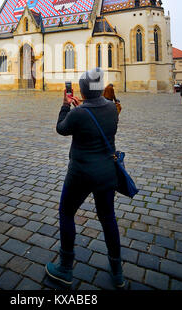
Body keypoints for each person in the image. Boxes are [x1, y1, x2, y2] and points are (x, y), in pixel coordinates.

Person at [45, 68, 124, 288]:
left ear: (82, 90)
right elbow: (97, 120)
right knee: (108, 218)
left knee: (66, 212)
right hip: (107, 172)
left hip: (80, 173)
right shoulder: (111, 107)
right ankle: (117, 272)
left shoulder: (78, 113)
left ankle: (65, 268)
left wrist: (64, 105)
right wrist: (83, 108)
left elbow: (62, 129)